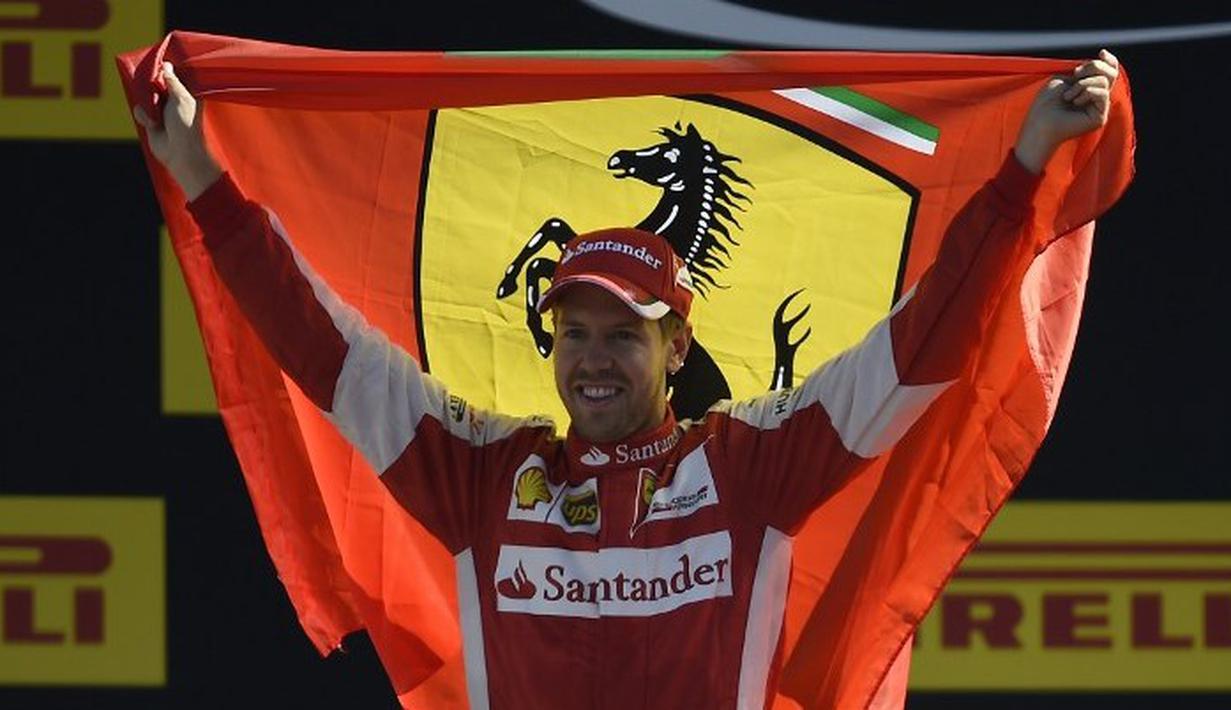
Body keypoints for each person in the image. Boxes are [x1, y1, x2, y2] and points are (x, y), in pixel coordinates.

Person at [136, 50, 1119, 709]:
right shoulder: (480, 472)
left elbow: (921, 346)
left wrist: (1022, 167)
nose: (594, 357)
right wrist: (204, 181)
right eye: (574, 333)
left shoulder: (753, 464)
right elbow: (324, 349)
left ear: (677, 349)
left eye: (623, 333)